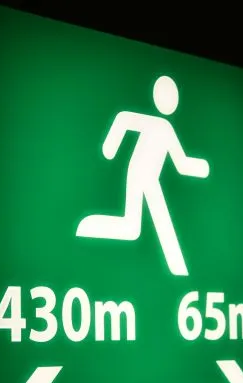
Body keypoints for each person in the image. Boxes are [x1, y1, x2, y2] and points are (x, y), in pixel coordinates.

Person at [76, 75, 209, 277]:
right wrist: (109, 147)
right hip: (141, 174)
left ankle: (90, 226)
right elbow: (124, 119)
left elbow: (181, 163)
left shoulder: (166, 128)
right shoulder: (160, 125)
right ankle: (178, 269)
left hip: (147, 176)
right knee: (145, 225)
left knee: (132, 227)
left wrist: (201, 168)